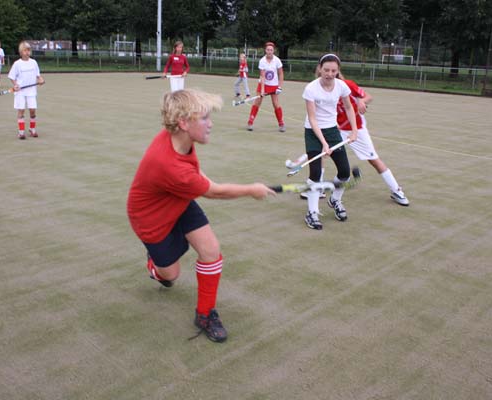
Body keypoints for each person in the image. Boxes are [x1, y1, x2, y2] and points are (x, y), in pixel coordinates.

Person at [127, 89, 275, 343]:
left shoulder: (177, 139)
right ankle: (156, 265)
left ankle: (205, 314)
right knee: (170, 276)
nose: (211, 124)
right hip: (151, 218)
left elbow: (194, 173)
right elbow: (215, 193)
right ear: (183, 123)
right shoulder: (169, 165)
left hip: (179, 200)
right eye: (205, 118)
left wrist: (201, 181)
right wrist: (252, 189)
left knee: (211, 250)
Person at [302, 53, 358, 230]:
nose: (329, 74)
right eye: (326, 70)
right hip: (313, 132)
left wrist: (354, 130)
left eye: (334, 70)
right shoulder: (311, 89)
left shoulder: (341, 86)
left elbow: (349, 107)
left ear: (338, 70)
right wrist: (324, 144)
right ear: (320, 68)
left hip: (332, 130)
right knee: (315, 173)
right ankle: (311, 212)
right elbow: (312, 118)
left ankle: (335, 199)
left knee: (344, 172)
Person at [336, 72, 410, 206]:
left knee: (374, 160)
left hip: (356, 129)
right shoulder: (322, 90)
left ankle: (397, 190)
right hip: (336, 129)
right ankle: (315, 187)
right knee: (322, 154)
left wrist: (361, 101)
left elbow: (368, 96)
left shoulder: (348, 85)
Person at [8, 41, 45, 140]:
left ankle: (32, 129)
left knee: (32, 111)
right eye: (25, 50)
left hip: (31, 91)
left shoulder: (34, 63)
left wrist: (41, 80)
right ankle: (21, 132)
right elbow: (11, 77)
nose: (27, 52)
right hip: (20, 92)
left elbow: (38, 76)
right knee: (21, 111)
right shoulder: (17, 64)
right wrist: (15, 85)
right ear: (21, 52)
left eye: (28, 50)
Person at [247, 42, 285, 132]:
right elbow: (262, 76)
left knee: (276, 104)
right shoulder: (262, 61)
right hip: (263, 84)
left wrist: (279, 87)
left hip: (274, 85)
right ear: (265, 50)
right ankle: (250, 122)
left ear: (273, 51)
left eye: (271, 50)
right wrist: (263, 90)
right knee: (257, 103)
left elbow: (281, 74)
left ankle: (281, 123)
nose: (269, 51)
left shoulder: (277, 60)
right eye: (268, 50)